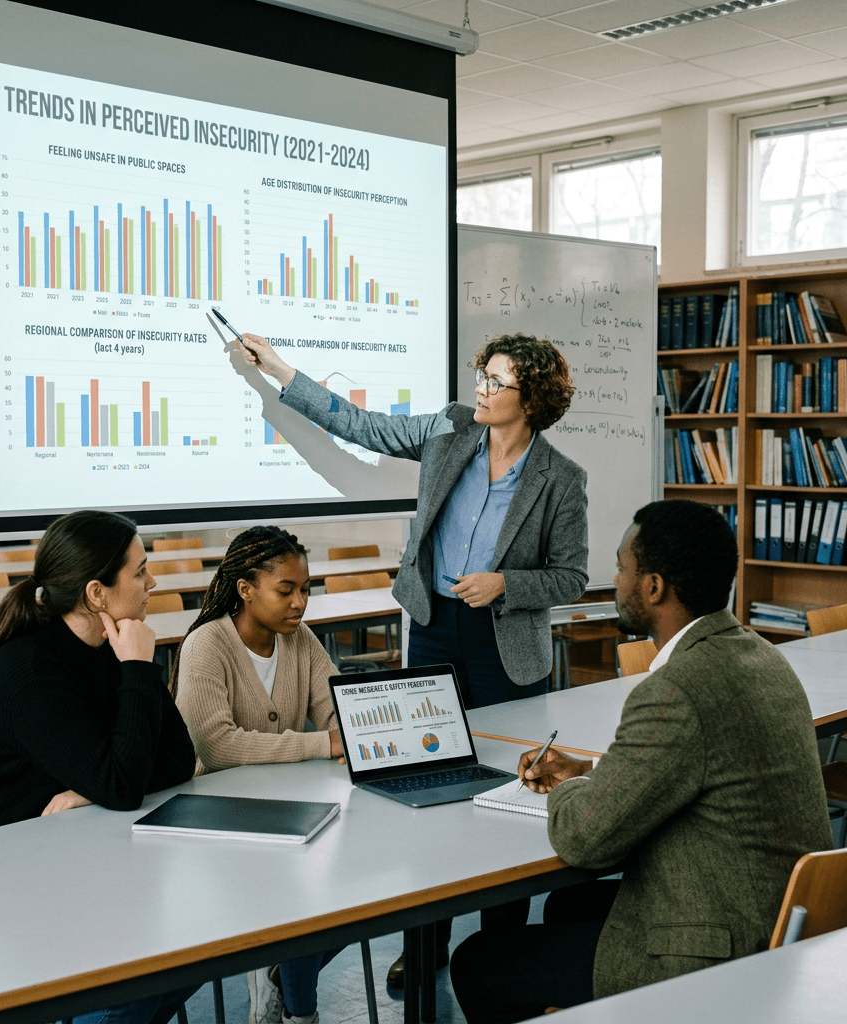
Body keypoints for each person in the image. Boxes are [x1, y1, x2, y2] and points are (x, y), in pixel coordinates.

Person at [234, 330, 589, 982]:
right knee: (432, 781)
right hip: (432, 626)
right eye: (481, 375)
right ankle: (425, 947)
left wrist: (507, 584)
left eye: (495, 381)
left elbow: (569, 576)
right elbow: (362, 425)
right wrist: (283, 372)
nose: (479, 388)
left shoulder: (561, 479)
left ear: (530, 398)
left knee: (510, 792)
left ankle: (499, 953)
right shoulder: (452, 429)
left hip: (506, 645)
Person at [449, 499, 833, 1022]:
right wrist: (590, 773)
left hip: (717, 947)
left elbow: (584, 837)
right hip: (779, 915)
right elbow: (689, 768)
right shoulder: (759, 653)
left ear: (652, 587)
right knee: (566, 907)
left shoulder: (676, 687)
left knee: (478, 961)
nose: (615, 578)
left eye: (621, 568)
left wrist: (565, 790)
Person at [0, 510, 197, 1024]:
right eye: (139, 571)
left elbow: (178, 760)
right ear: (97, 593)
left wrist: (91, 789)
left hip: (63, 844)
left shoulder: (112, 644)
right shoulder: (33, 669)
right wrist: (139, 669)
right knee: (155, 968)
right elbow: (122, 783)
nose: (152, 581)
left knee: (192, 952)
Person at [171, 525, 343, 1024]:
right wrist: (322, 743)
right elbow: (216, 747)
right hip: (216, 818)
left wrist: (345, 734)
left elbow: (340, 717)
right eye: (285, 590)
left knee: (358, 893)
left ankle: (279, 981)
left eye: (306, 589)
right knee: (302, 900)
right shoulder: (207, 645)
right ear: (245, 590)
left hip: (289, 809)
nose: (300, 603)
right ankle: (298, 1008)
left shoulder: (301, 641)